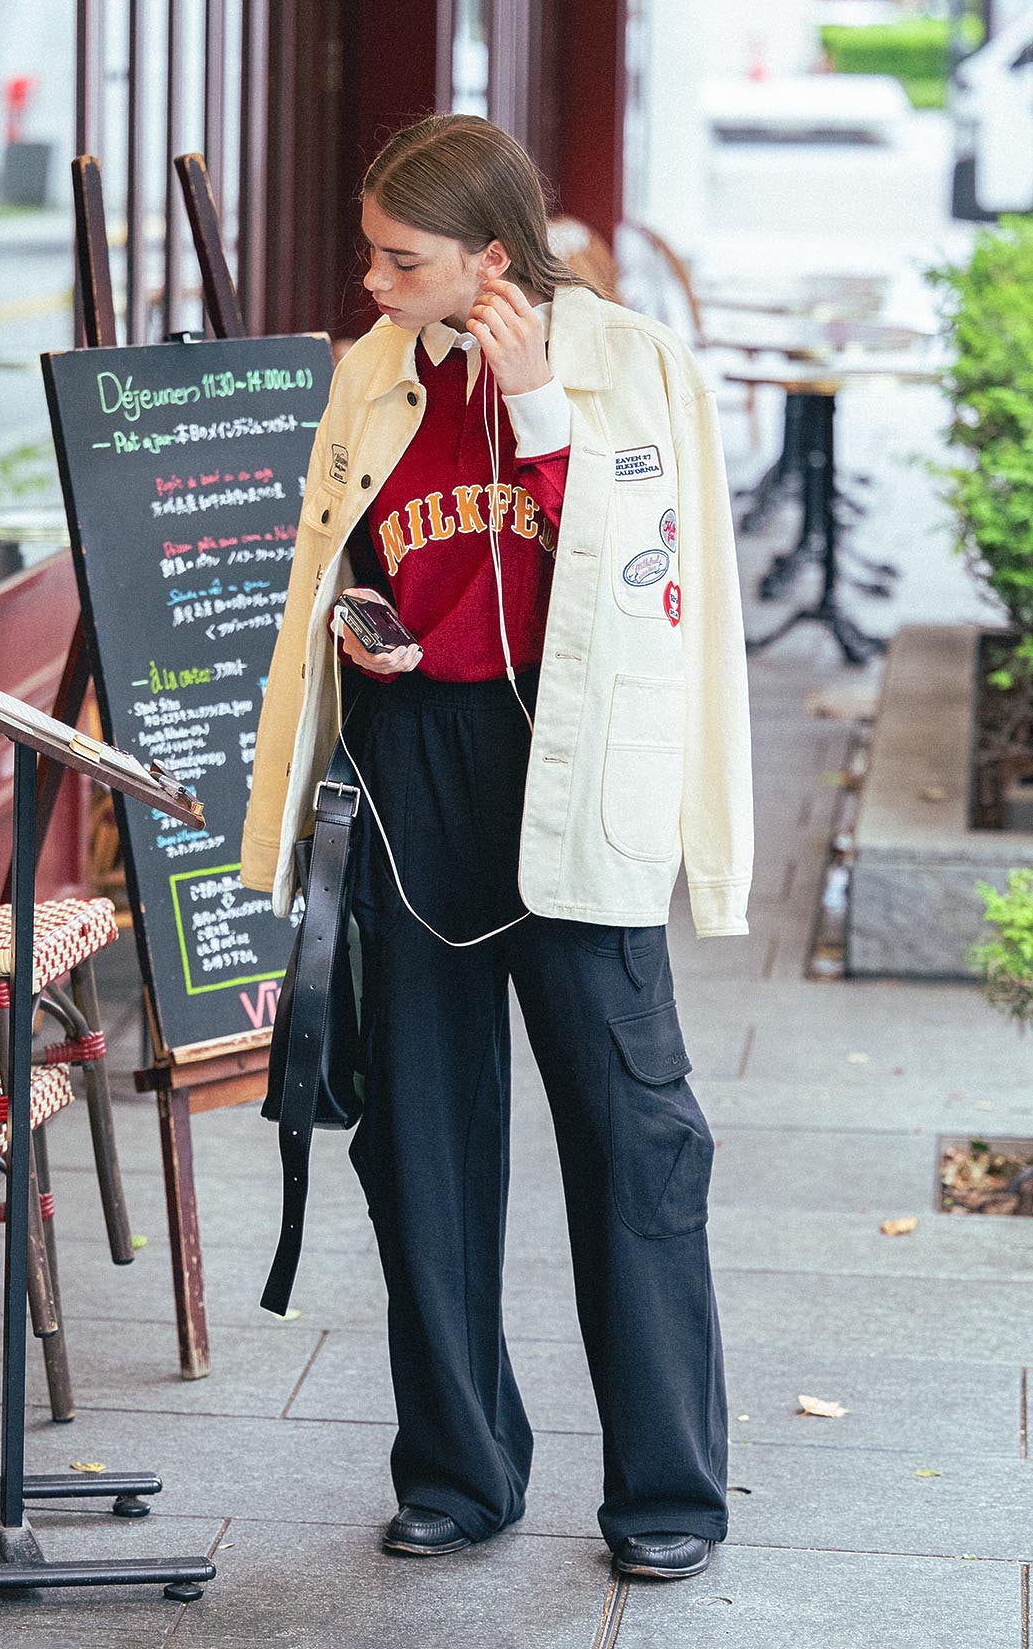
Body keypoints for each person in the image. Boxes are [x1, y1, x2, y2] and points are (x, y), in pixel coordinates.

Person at [239, 114, 753, 1579]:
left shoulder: (634, 365)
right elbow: (336, 563)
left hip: (574, 763)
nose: (373, 279)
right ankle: (460, 1471)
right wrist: (358, 629)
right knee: (420, 1141)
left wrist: (535, 411)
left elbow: (662, 587)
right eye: (371, 253)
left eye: (401, 259)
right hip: (416, 768)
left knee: (635, 1129)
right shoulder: (369, 372)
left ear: (492, 261)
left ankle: (667, 1494)